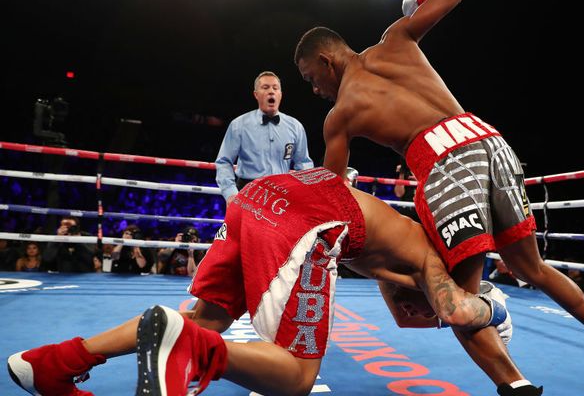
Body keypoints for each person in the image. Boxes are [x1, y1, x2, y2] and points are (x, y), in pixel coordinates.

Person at [294, 0, 584, 396]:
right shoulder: (395, 37)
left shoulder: (341, 114)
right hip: (489, 141)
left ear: (326, 60)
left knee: (457, 303)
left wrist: (346, 184)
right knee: (529, 267)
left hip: (447, 165)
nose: (315, 89)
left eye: (311, 78)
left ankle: (505, 351)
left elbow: (331, 196)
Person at [8, 167, 513, 396]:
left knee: (207, 319)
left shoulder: (395, 244)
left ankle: (51, 363)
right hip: (310, 217)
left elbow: (407, 315)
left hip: (259, 197)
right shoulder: (428, 256)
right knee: (295, 377)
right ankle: (190, 349)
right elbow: (450, 310)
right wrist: (493, 306)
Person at [215, 71, 314, 205]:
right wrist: (231, 193)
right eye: (265, 87)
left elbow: (304, 164)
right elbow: (224, 161)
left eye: (275, 88)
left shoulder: (295, 127)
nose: (271, 92)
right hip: (247, 191)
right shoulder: (239, 125)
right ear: (256, 94)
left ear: (280, 94)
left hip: (282, 193)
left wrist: (302, 193)